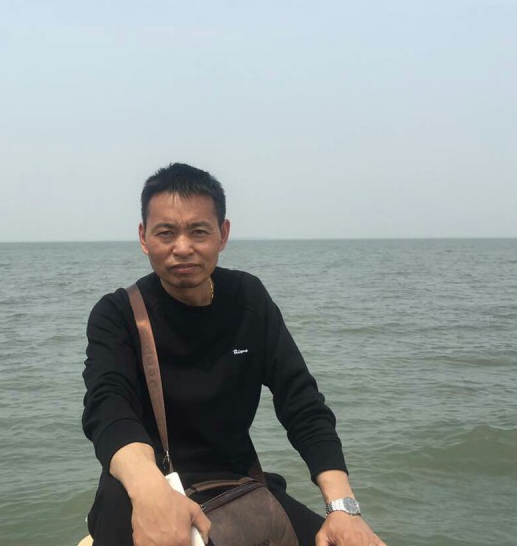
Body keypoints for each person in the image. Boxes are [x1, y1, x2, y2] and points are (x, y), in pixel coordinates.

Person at [82, 163, 386, 546]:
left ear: (223, 234)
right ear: (144, 237)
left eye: (198, 231)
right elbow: (107, 406)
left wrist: (342, 507)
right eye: (166, 232)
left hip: (237, 486)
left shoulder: (248, 300)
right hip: (142, 486)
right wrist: (149, 489)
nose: (182, 247)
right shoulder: (118, 314)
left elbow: (302, 403)